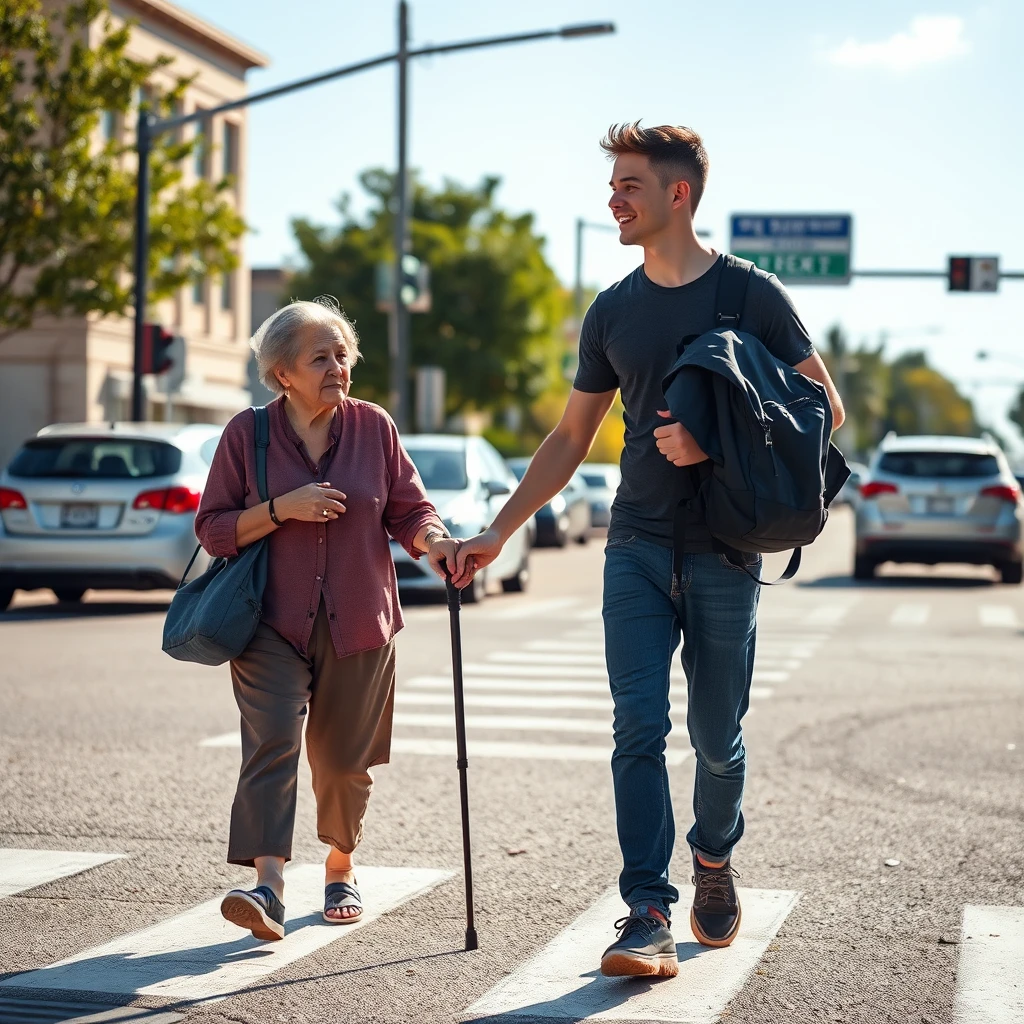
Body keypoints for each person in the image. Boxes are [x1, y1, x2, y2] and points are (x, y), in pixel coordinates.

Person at [452, 123, 844, 976]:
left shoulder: (751, 295)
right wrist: (498, 530)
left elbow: (825, 413)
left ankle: (713, 856)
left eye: (629, 184)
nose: (614, 199)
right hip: (634, 541)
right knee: (636, 725)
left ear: (679, 193)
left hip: (724, 550)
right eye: (612, 185)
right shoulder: (613, 310)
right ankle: (647, 910)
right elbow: (569, 437)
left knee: (717, 738)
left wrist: (714, 444)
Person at [195, 297, 457, 941]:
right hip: (267, 621)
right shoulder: (246, 435)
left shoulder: (374, 428)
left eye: (342, 355)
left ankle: (341, 863)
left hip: (360, 622)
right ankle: (268, 886)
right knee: (272, 743)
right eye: (320, 357)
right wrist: (281, 509)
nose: (337, 367)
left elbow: (410, 510)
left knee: (342, 763)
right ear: (282, 373)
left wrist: (437, 543)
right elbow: (213, 528)